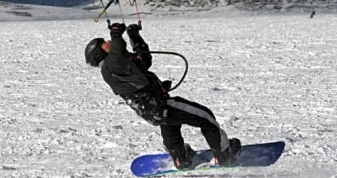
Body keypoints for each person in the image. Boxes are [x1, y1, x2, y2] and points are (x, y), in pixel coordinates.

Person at [85, 22, 241, 169]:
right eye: (103, 43)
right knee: (205, 116)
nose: (107, 41)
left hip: (154, 110)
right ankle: (224, 156)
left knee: (170, 124)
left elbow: (144, 58)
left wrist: (134, 36)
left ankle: (181, 159)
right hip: (160, 106)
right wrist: (116, 34)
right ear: (99, 53)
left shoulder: (121, 66)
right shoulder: (110, 66)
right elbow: (118, 52)